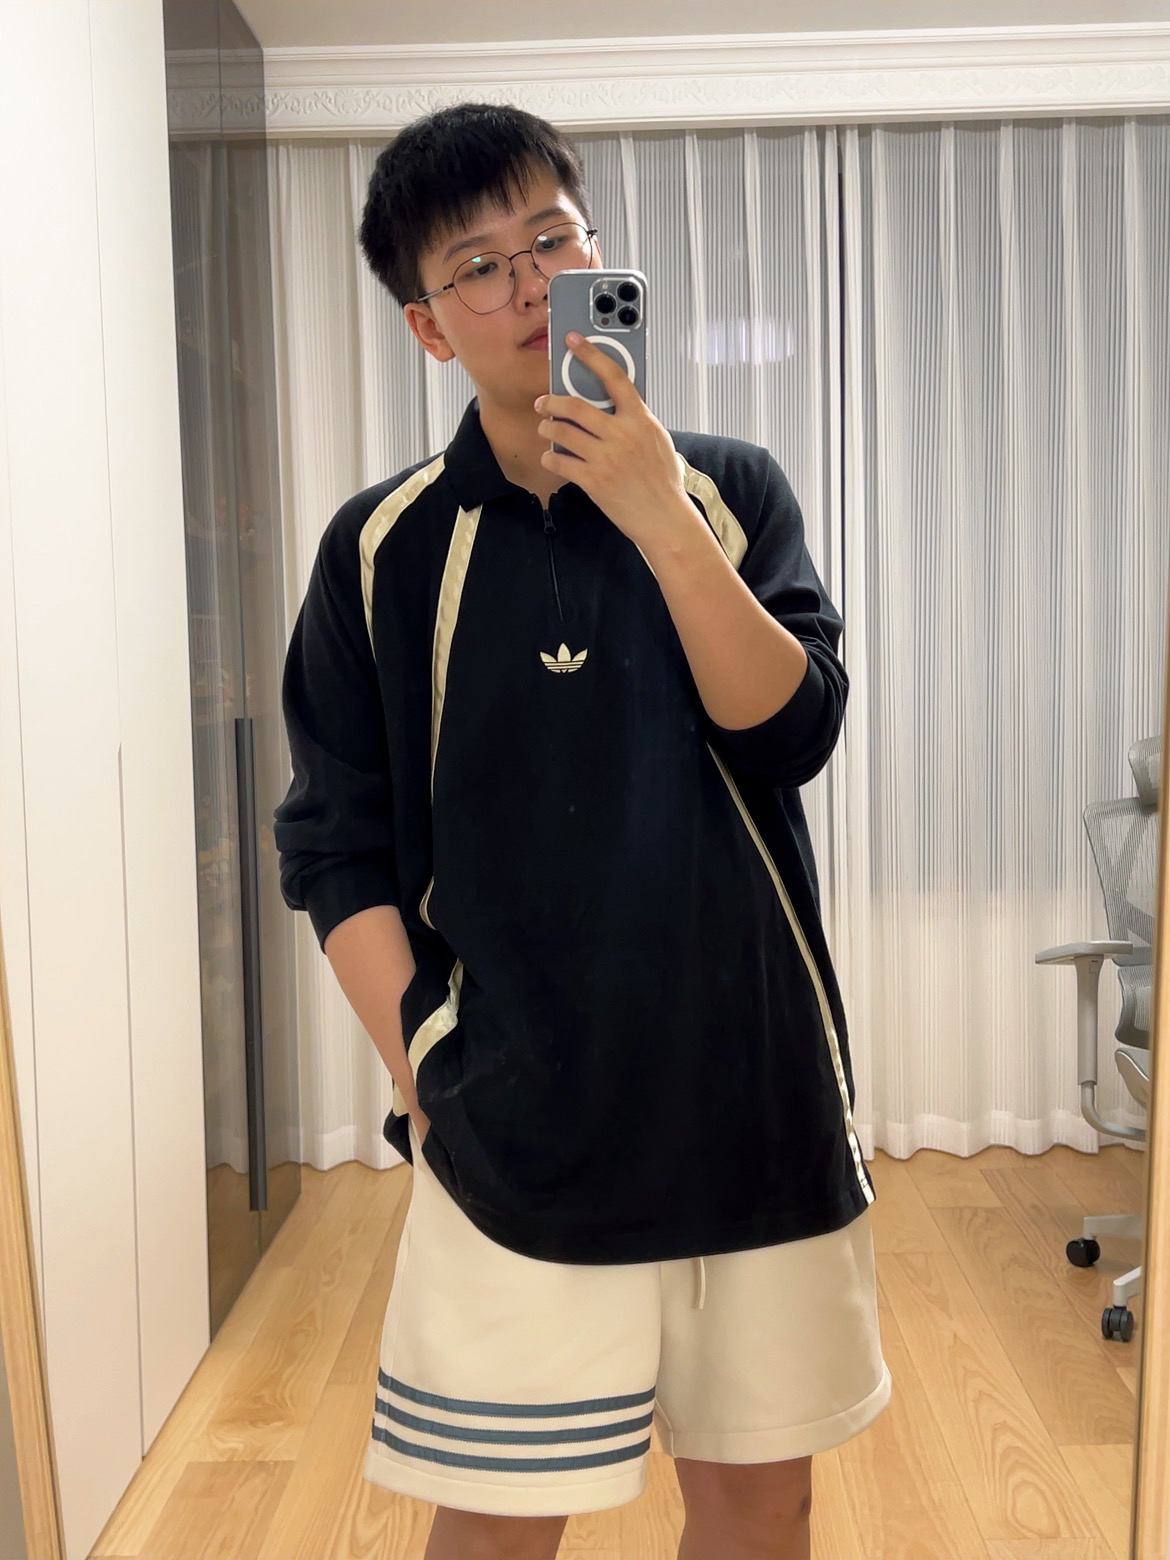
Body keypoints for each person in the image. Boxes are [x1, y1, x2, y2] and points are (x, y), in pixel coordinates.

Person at [273, 101, 890, 1560]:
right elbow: (335, 843)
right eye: (478, 266)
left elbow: (792, 732)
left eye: (553, 238)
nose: (530, 284)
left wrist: (657, 513)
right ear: (428, 327)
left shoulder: (729, 489)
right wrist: (422, 1066)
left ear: (599, 253)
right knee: (499, 1514)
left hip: (753, 1096)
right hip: (513, 1114)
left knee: (760, 1500)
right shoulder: (381, 548)